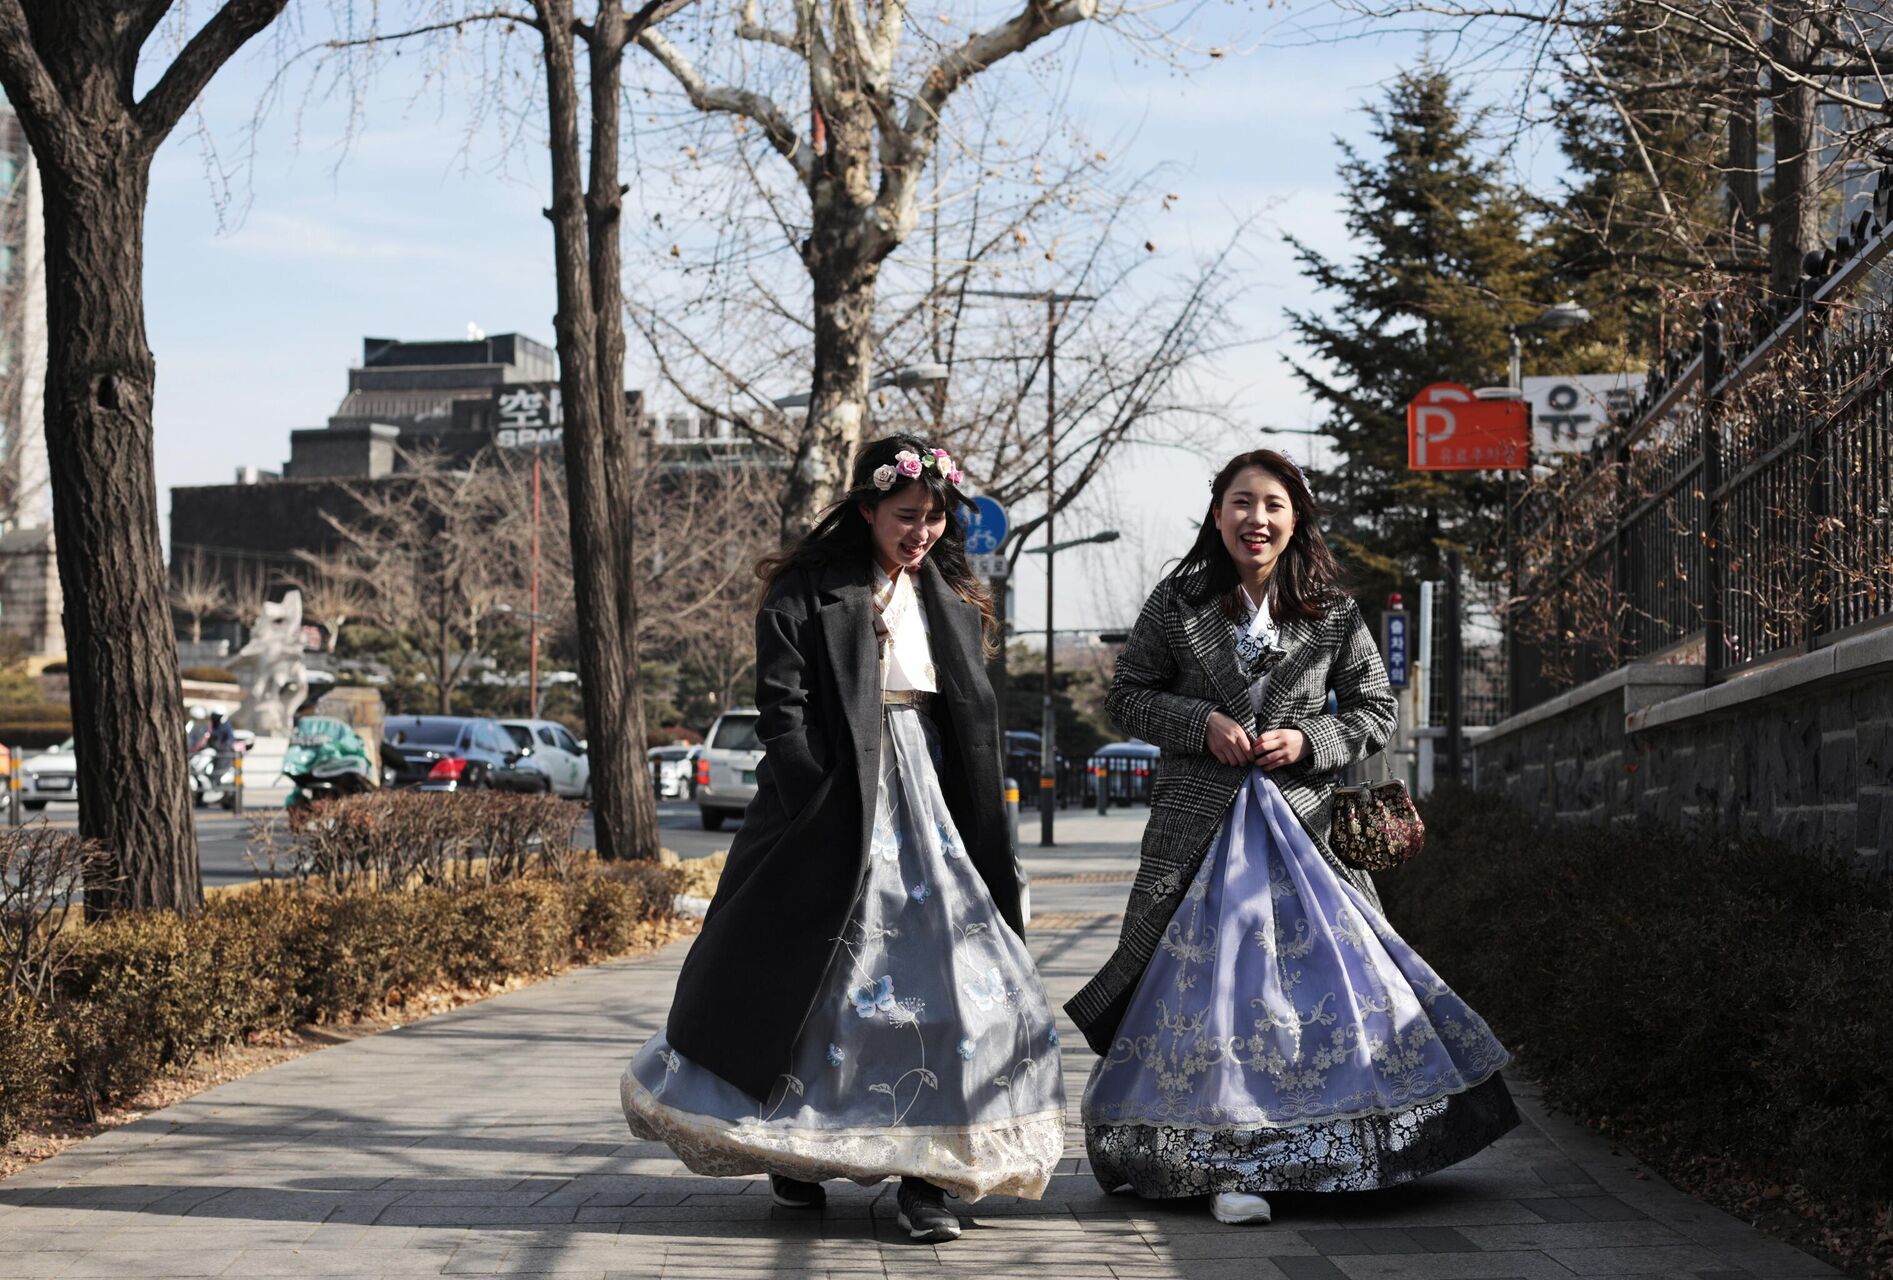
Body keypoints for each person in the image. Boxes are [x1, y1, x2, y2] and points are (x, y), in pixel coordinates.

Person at [621, 434, 1066, 1244]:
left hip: (932, 803)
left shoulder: (953, 597)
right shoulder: (807, 589)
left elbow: (971, 718)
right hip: (831, 805)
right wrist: (814, 796)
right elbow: (780, 708)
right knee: (822, 981)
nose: (922, 532)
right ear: (866, 509)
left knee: (957, 985)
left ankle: (930, 1174)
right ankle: (795, 1148)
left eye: (934, 518)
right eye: (906, 515)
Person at [1065, 448, 1518, 1226]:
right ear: (1217, 515)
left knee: (1327, 993)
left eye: (1274, 504)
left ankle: (1331, 1148)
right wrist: (1199, 723)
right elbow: (1127, 699)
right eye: (1242, 503)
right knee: (1216, 996)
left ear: (1296, 518)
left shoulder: (1334, 611)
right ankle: (1214, 1155)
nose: (1257, 519)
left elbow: (1376, 710)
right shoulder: (1178, 602)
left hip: (1307, 833)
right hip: (1195, 835)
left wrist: (1308, 742)